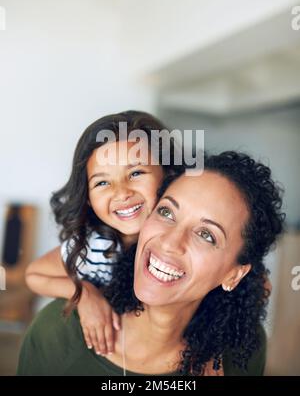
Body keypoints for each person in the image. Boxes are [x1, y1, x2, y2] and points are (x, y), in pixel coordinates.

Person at [17, 152, 285, 376]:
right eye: (167, 212)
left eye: (206, 235)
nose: (169, 242)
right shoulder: (58, 333)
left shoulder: (241, 349)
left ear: (233, 275)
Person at [25, 110, 181, 356]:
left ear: (168, 174)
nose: (121, 193)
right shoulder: (92, 246)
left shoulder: (181, 241)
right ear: (87, 198)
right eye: (102, 183)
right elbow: (34, 276)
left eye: (136, 173)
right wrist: (84, 293)